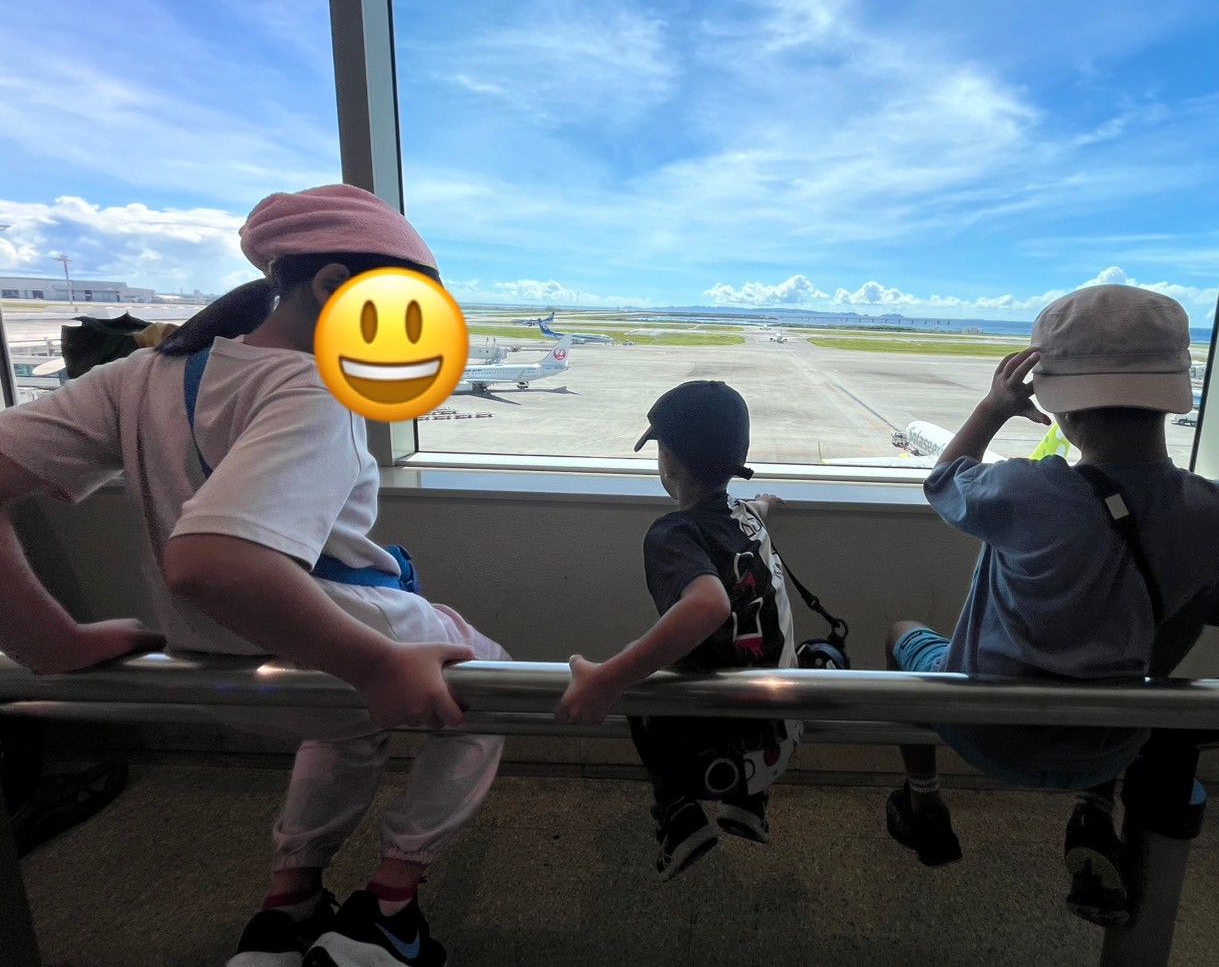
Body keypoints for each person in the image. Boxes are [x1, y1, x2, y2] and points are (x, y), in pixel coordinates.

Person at [0, 184, 508, 967]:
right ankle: (390, 908)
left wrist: (48, 644)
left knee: (349, 721)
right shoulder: (313, 385)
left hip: (213, 666)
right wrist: (375, 664)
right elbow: (214, 562)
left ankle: (290, 904)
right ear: (334, 285)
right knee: (490, 684)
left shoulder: (140, 377)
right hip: (331, 632)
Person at [884, 285, 1219, 929]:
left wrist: (993, 407)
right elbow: (1181, 633)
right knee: (1124, 657)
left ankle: (923, 801)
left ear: (1059, 406)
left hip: (986, 729)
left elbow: (943, 479)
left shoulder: (1023, 488)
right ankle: (1094, 810)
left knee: (902, 633)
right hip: (1113, 740)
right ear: (1170, 396)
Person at [555, 381, 801, 879]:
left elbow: (707, 605)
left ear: (667, 459)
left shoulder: (674, 533)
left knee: (639, 676)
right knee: (754, 650)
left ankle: (679, 815)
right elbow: (751, 512)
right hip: (783, 735)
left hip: (711, 751)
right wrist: (765, 504)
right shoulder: (747, 519)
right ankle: (749, 804)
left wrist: (609, 678)